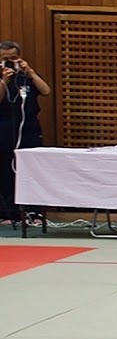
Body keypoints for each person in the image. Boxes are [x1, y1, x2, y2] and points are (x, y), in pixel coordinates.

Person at [0, 41, 52, 224]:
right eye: (5, 59)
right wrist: (4, 80)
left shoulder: (26, 77)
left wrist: (30, 72)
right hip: (5, 129)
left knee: (33, 168)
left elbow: (46, 91)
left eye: (13, 58)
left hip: (29, 128)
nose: (9, 62)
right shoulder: (2, 79)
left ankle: (34, 212)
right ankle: (9, 213)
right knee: (7, 170)